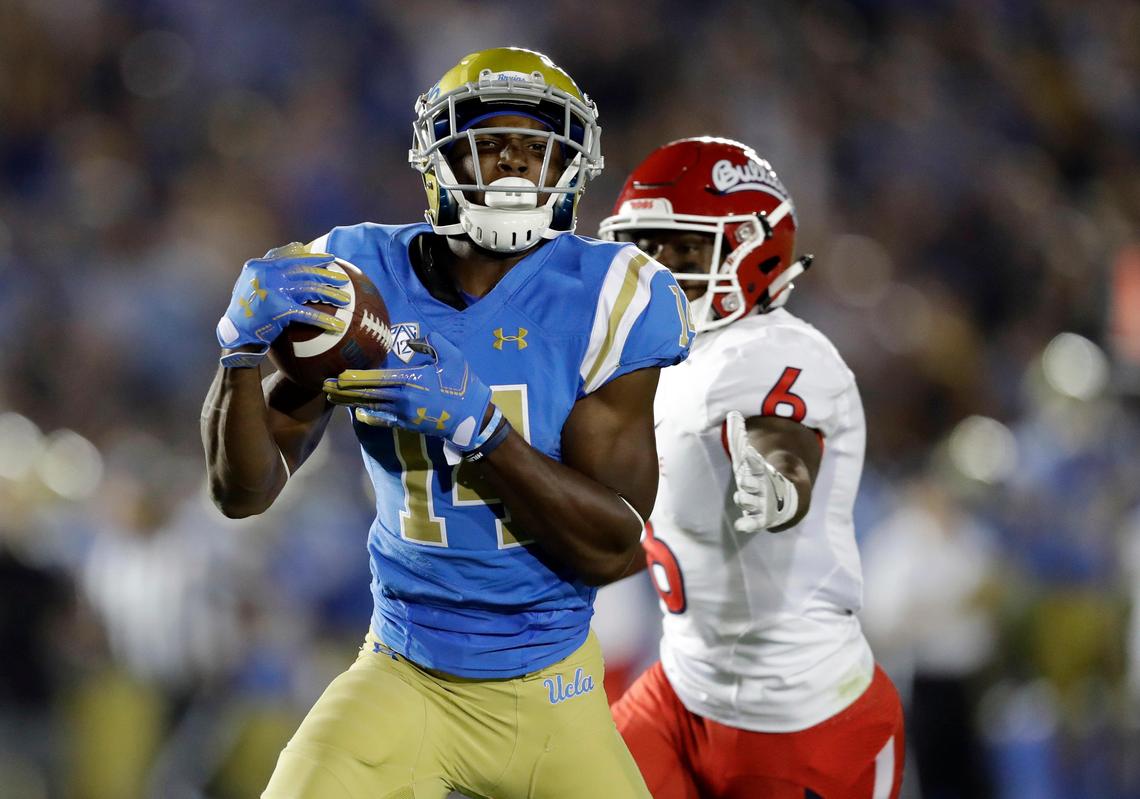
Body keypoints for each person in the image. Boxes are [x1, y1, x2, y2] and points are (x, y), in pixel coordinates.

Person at [201, 47, 692, 799]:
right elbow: (244, 491)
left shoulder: (606, 298)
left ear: (568, 168)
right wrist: (237, 355)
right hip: (404, 672)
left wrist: (483, 433)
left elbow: (617, 546)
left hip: (550, 688)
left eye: (535, 148)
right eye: (489, 143)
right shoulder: (362, 280)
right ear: (439, 160)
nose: (512, 166)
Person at [598, 137, 905, 799]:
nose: (658, 268)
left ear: (752, 248)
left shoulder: (769, 349)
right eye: (646, 247)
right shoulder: (656, 362)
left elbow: (784, 440)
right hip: (681, 690)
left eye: (683, 249)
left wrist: (773, 480)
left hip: (801, 719)